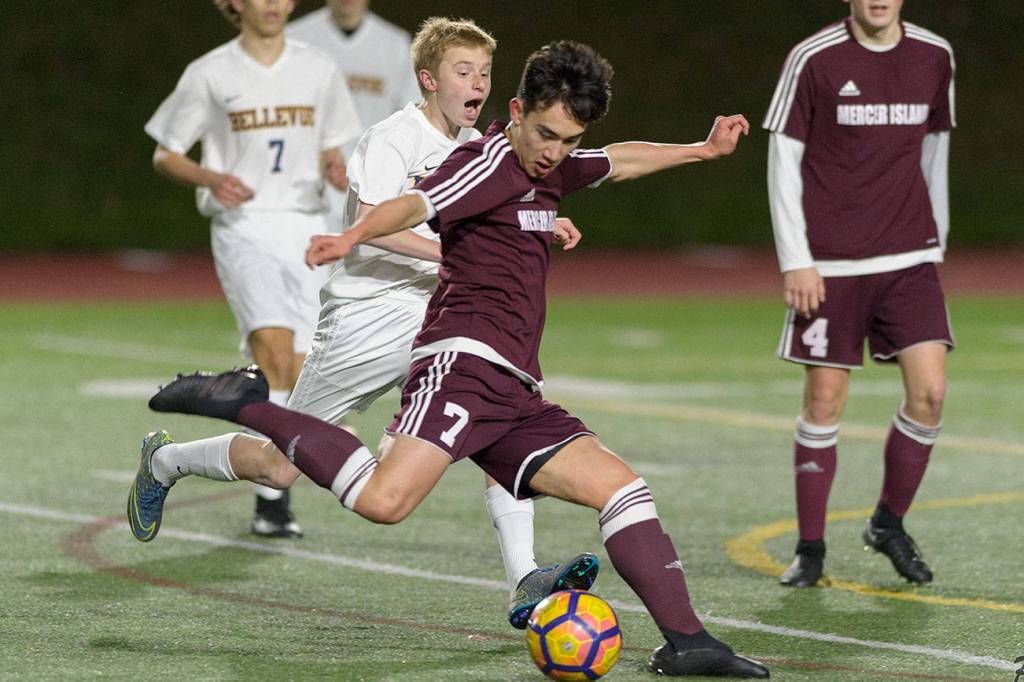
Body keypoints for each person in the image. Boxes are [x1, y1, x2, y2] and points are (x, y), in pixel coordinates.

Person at [137, 40, 768, 677]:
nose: (554, 152)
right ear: (517, 110)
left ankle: (688, 643)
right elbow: (417, 204)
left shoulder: (552, 166)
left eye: (568, 140)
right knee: (384, 500)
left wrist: (702, 149)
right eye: (545, 133)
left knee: (623, 490)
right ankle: (249, 404)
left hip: (515, 390)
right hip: (461, 366)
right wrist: (352, 235)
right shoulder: (488, 159)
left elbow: (618, 160)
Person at [134, 16, 596, 629]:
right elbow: (380, 222)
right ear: (429, 80)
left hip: (445, 319)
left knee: (496, 419)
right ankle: (167, 462)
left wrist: (540, 226)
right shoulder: (391, 139)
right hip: (368, 316)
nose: (477, 82)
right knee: (280, 464)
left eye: (485, 72)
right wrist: (455, 251)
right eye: (464, 71)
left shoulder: (491, 148)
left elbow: (516, 210)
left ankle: (523, 579)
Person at [144, 0, 362, 538]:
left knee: (304, 369)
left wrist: (336, 166)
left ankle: (263, 487)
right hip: (243, 224)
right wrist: (210, 177)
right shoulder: (211, 71)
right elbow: (165, 153)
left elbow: (337, 146)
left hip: (308, 223)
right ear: (233, 4)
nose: (273, 5)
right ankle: (274, 502)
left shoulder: (319, 67)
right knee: (274, 350)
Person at [763, 0, 955, 587]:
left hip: (908, 255)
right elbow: (783, 160)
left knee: (931, 392)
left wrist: (935, 239)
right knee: (824, 402)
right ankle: (811, 548)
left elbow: (933, 151)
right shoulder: (812, 57)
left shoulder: (935, 55)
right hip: (830, 264)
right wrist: (797, 260)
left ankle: (888, 523)